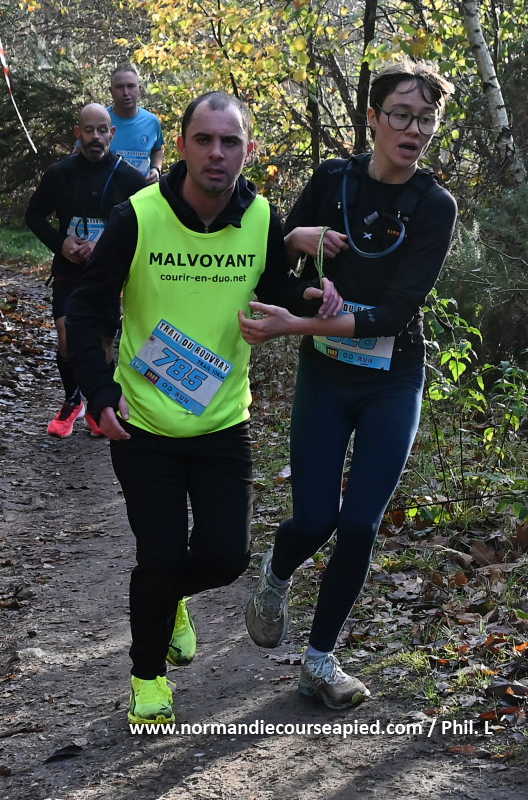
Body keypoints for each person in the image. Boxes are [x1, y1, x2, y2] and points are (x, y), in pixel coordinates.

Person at [65, 91, 339, 726]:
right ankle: (147, 678)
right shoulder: (138, 215)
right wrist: (100, 394)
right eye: (205, 139)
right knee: (161, 557)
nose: (218, 153)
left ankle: (170, 598)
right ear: (182, 146)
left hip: (223, 422)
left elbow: (273, 289)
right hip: (143, 424)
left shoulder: (262, 218)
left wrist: (311, 293)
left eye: (231, 141)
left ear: (249, 150)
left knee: (226, 558)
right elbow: (88, 309)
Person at [242, 59, 457, 710]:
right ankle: (278, 570)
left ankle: (319, 660)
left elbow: (394, 313)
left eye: (426, 119)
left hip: (394, 376)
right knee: (315, 519)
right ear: (372, 118)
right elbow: (272, 274)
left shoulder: (435, 206)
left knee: (360, 524)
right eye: (401, 115)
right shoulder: (332, 181)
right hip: (328, 376)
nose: (413, 130)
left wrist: (299, 324)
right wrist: (294, 241)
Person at [25, 103, 147, 439]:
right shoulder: (60, 173)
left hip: (108, 275)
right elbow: (34, 215)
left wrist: (105, 247)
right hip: (69, 269)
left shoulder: (130, 178)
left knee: (104, 345)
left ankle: (99, 406)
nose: (96, 137)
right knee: (67, 336)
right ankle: (72, 400)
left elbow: (147, 225)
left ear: (112, 133)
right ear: (78, 133)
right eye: (89, 130)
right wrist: (61, 243)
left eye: (102, 130)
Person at [108, 64, 165, 184]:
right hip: (107, 191)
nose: (125, 92)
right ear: (111, 91)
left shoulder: (151, 121)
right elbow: (80, 152)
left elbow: (157, 150)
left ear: (139, 89)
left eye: (130, 86)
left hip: (142, 190)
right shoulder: (101, 119)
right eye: (119, 87)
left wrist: (156, 169)